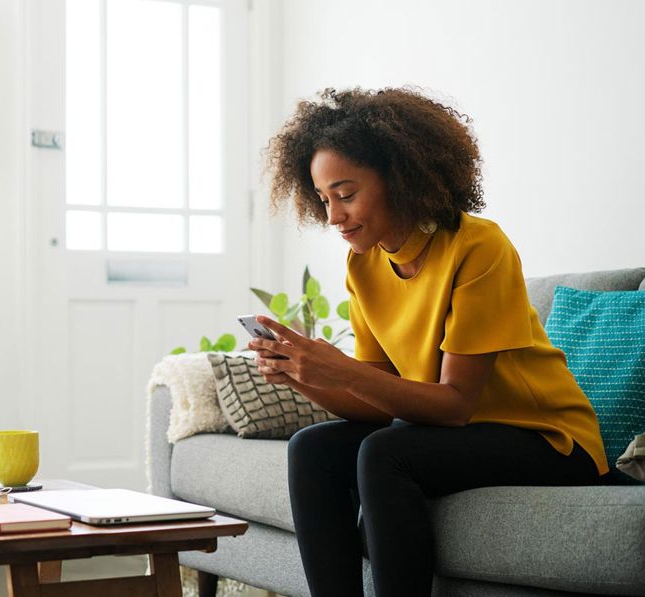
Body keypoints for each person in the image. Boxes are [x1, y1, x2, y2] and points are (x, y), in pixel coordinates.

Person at [249, 87, 607, 597]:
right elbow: (377, 400)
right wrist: (302, 374)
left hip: (545, 438)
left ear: (399, 178)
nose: (333, 216)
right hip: (452, 434)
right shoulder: (364, 263)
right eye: (324, 199)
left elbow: (456, 406)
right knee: (314, 448)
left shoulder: (478, 246)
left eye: (346, 194)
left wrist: (338, 367)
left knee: (385, 453)